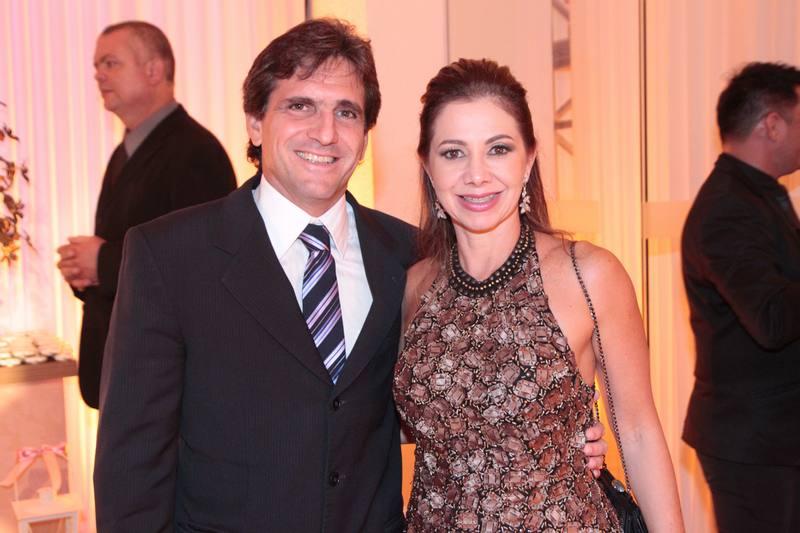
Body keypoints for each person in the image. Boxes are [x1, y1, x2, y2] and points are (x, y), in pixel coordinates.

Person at [94, 19, 607, 532]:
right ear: (255, 122)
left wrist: (549, 434)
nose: (325, 132)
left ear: (364, 139)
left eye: (346, 112)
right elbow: (132, 467)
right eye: (300, 106)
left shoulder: (413, 258)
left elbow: (447, 397)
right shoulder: (170, 257)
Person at [394, 58, 684, 532]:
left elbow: (637, 432)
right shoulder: (413, 288)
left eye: (498, 149)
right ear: (427, 166)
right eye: (453, 153)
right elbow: (407, 424)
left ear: (529, 159)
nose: (476, 174)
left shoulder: (588, 273)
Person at [56, 20, 236, 409]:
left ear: (154, 70)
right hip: (129, 380)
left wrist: (102, 262)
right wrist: (85, 273)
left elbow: (202, 265)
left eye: (110, 63)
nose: (98, 75)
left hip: (167, 387)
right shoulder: (124, 153)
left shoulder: (196, 152)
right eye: (96, 66)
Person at [682, 62, 800, 532]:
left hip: (773, 436)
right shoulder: (727, 208)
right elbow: (772, 318)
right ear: (772, 124)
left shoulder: (757, 195)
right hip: (754, 442)